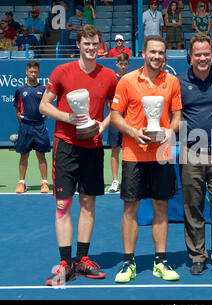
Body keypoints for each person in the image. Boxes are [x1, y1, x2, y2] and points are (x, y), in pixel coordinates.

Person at [40, 25, 118, 286]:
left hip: (93, 148)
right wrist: (69, 118)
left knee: (88, 204)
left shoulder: (108, 76)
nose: (91, 48)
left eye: (95, 43)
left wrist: (103, 126)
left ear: (101, 45)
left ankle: (82, 260)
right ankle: (65, 263)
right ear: (79, 45)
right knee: (63, 205)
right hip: (66, 147)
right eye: (86, 44)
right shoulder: (62, 72)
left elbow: (115, 109)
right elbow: (44, 105)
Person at [110, 35, 182, 283]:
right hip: (133, 155)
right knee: (131, 208)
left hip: (161, 154)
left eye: (161, 53)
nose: (157, 56)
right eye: (153, 52)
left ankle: (160, 261)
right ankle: (128, 262)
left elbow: (177, 115)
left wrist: (170, 132)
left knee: (161, 206)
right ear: (143, 53)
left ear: (165, 55)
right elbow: (116, 116)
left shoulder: (172, 81)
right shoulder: (127, 81)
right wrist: (133, 132)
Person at [177, 33, 212, 278]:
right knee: (193, 207)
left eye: (206, 54)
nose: (202, 58)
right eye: (198, 54)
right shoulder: (178, 82)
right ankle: (197, 255)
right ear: (190, 57)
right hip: (190, 152)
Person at [14, 61, 50, 194]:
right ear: (26, 72)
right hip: (25, 127)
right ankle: (21, 183)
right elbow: (17, 110)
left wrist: (40, 120)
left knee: (41, 155)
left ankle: (45, 183)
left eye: (35, 72)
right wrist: (23, 124)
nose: (33, 74)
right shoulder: (20, 90)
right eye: (31, 72)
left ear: (38, 73)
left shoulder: (43, 90)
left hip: (39, 127)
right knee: (24, 155)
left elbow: (47, 109)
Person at [107, 52, 130, 193]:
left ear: (128, 65)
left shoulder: (131, 79)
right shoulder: (112, 80)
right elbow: (108, 102)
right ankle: (115, 181)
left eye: (125, 64)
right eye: (120, 64)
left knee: (130, 150)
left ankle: (128, 179)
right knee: (115, 150)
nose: (122, 66)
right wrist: (115, 114)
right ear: (116, 64)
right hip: (116, 121)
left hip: (130, 121)